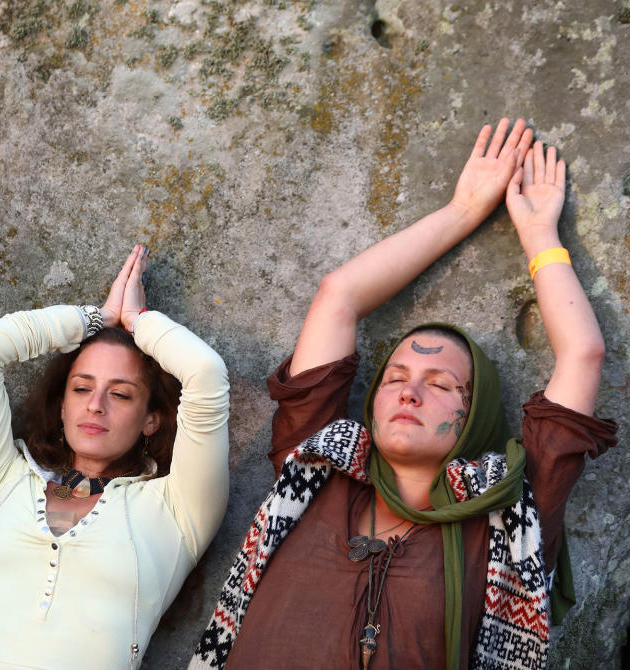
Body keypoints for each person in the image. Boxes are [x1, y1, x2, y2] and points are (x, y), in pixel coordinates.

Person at [190, 119, 618, 670]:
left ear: (474, 414)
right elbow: (338, 297)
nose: (409, 391)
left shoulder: (512, 518)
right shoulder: (316, 466)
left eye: (440, 384)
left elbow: (582, 354)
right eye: (394, 378)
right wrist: (462, 211)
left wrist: (539, 237)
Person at [0, 244, 230, 669]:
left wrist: (137, 322)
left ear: (151, 420)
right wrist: (96, 318)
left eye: (120, 393)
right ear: (62, 406)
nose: (96, 404)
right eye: (81, 388)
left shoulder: (176, 509)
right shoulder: (1, 482)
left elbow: (204, 373)